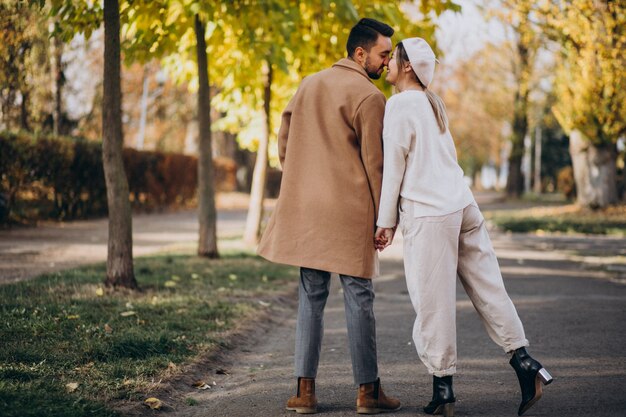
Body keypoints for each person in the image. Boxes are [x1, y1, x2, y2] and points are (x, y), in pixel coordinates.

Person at [374, 38, 553, 417]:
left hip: (430, 214)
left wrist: (385, 221)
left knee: (433, 303)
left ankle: (444, 390)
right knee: (490, 289)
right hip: (463, 206)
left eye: (394, 58)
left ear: (408, 67)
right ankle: (525, 362)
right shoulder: (432, 104)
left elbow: (394, 167)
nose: (387, 63)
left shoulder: (400, 104)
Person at [257, 18, 401, 415]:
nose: (386, 62)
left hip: (308, 210)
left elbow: (284, 138)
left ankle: (304, 393)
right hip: (351, 211)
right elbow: (376, 164)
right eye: (383, 54)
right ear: (360, 53)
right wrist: (384, 218)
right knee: (359, 298)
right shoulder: (370, 98)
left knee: (310, 295)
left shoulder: (309, 83)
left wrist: (301, 178)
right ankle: (368, 393)